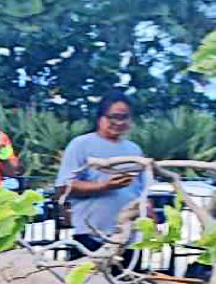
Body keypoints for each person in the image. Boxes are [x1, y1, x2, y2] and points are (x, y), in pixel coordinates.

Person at [56, 92, 151, 251]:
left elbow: (142, 191)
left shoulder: (134, 149)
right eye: (113, 117)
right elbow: (63, 188)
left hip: (128, 237)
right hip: (91, 234)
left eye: (124, 117)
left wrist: (149, 215)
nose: (118, 122)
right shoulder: (81, 144)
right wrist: (104, 185)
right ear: (100, 117)